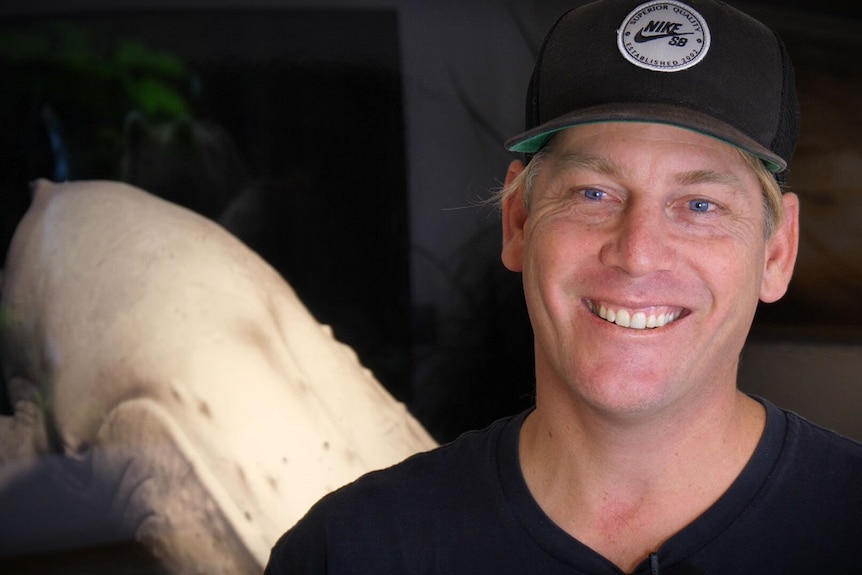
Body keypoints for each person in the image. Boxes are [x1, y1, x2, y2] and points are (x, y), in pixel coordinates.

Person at [264, 0, 862, 573]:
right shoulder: (349, 551)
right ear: (518, 223)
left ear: (777, 252)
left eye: (700, 205)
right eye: (592, 194)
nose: (637, 253)